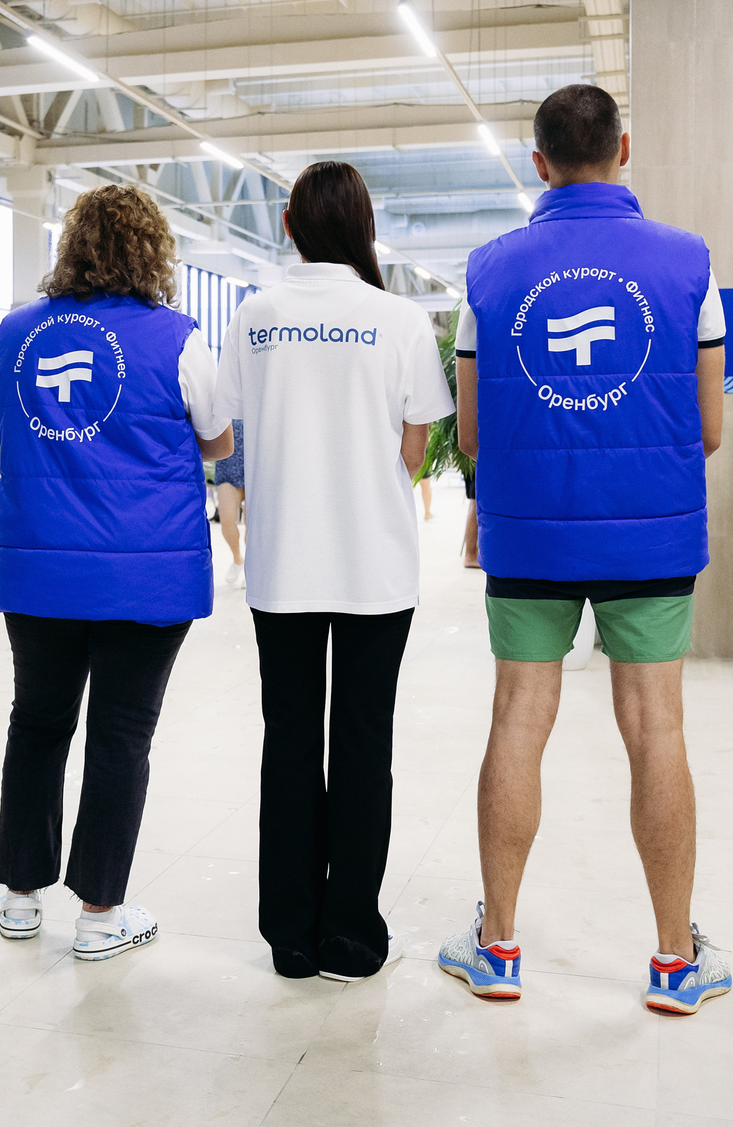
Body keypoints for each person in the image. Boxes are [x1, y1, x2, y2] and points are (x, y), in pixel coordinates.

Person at [440, 83, 733, 1016]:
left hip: (530, 529)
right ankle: (676, 962)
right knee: (657, 729)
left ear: (539, 162)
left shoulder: (488, 273)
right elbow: (710, 428)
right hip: (651, 530)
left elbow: (473, 432)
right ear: (624, 148)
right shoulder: (688, 264)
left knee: (517, 720)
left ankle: (497, 948)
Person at [213, 160, 454, 982]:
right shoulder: (399, 319)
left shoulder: (255, 316)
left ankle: (290, 935)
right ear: (363, 226)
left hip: (282, 564)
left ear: (289, 227)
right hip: (374, 565)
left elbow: (228, 426)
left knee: (288, 741)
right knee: (361, 741)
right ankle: (350, 935)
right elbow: (416, 446)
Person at [0, 183, 233, 962]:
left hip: (40, 567)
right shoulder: (179, 339)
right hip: (146, 572)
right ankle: (100, 915)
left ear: (72, 247)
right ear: (153, 252)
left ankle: (20, 896)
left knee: (37, 723)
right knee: (121, 736)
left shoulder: (15, 333)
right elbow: (219, 440)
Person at [214, 420, 246, 585]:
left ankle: (252, 568)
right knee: (226, 519)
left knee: (253, 526)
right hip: (227, 464)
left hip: (256, 464)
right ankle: (238, 560)